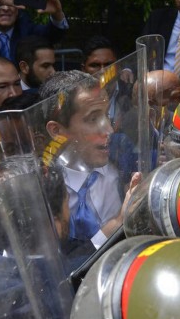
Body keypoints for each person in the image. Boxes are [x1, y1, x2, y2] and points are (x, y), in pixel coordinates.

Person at [38, 70, 137, 264]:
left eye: (107, 115)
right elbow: (57, 268)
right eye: (93, 119)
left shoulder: (123, 155)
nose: (108, 129)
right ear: (57, 131)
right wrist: (116, 224)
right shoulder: (42, 187)